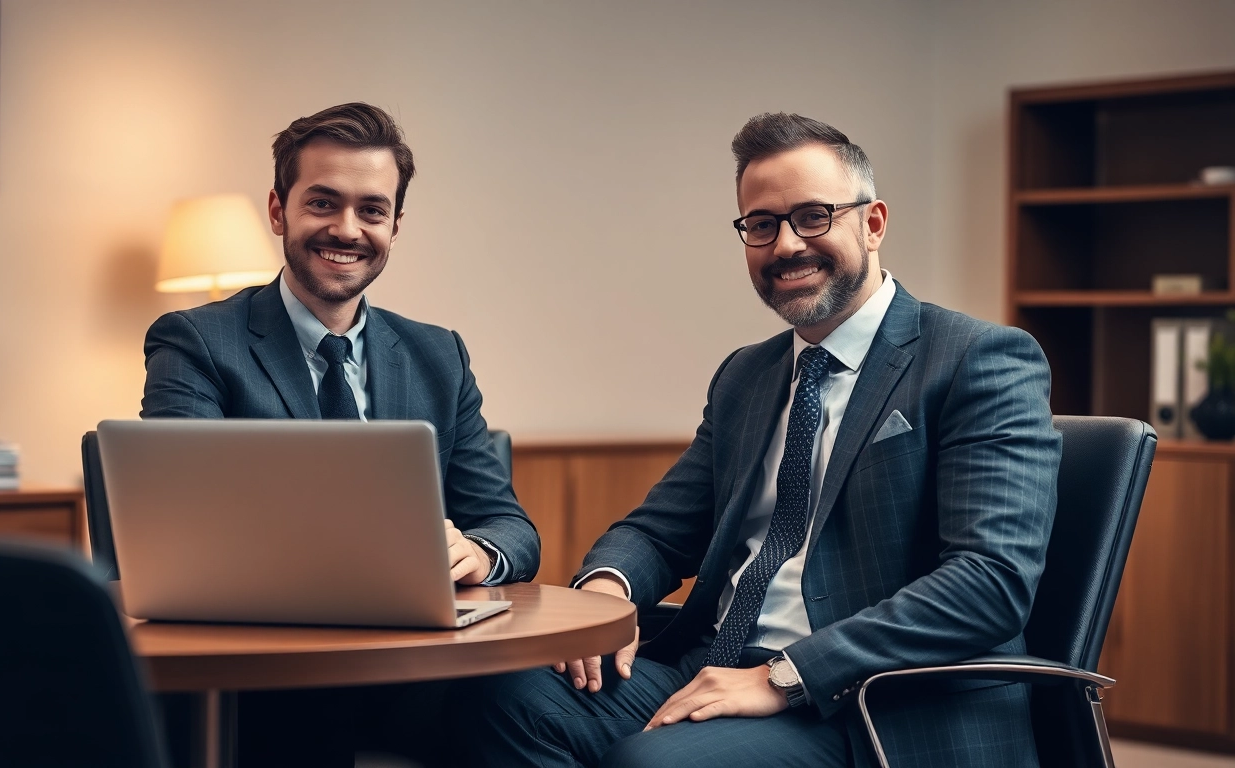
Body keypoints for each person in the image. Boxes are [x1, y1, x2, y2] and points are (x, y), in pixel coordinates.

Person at [465, 113, 1060, 768]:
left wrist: (785, 675)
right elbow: (660, 532)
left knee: (655, 764)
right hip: (712, 664)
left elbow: (990, 580)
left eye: (813, 216)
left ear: (874, 222)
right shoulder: (749, 375)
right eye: (761, 224)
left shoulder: (977, 358)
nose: (785, 245)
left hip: (871, 703)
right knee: (502, 695)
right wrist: (603, 596)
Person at [141, 102, 540, 765]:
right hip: (264, 679)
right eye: (323, 203)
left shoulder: (438, 355)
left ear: (395, 225)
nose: (347, 229)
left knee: (531, 710)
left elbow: (511, 526)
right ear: (278, 211)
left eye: (372, 210)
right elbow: (180, 528)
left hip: (412, 673)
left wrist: (476, 551)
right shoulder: (198, 343)